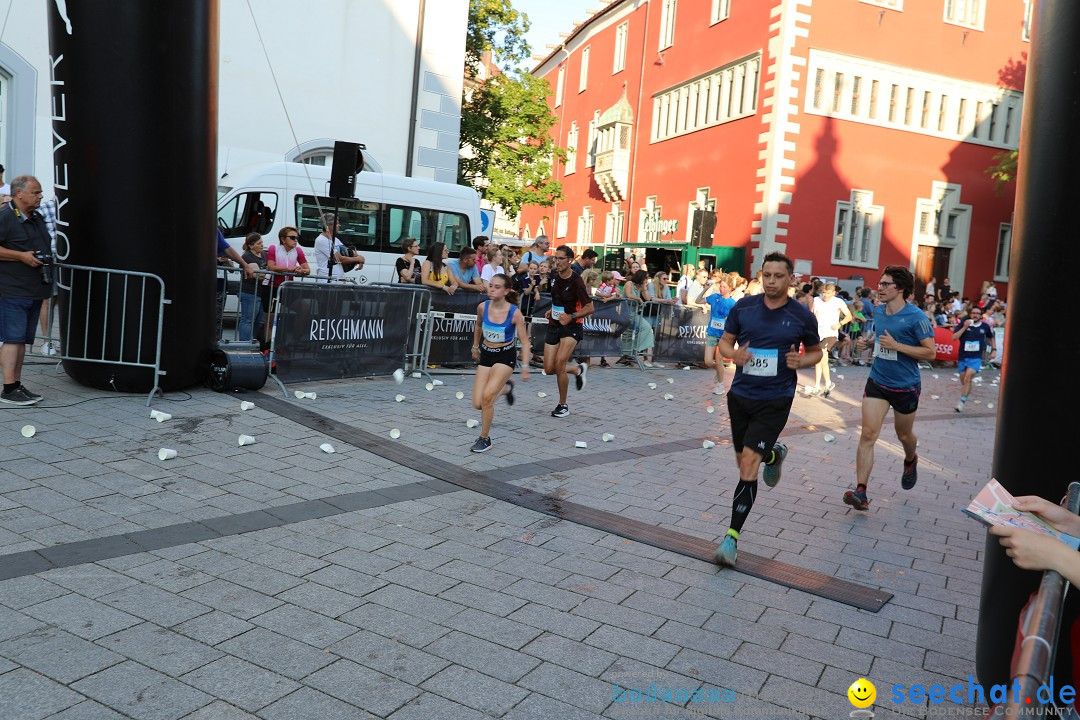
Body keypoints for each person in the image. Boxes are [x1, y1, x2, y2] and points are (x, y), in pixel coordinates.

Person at [713, 252, 822, 566]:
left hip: (776, 399)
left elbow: (815, 353)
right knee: (744, 462)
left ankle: (731, 539)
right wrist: (734, 355)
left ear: (790, 279)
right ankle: (774, 454)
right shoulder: (744, 307)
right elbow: (724, 343)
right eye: (767, 275)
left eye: (779, 276)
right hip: (741, 396)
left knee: (748, 466)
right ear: (761, 276)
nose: (772, 281)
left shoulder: (802, 316)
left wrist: (800, 361)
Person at [843, 266, 936, 511]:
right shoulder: (881, 312)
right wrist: (868, 343)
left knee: (904, 435)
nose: (880, 288)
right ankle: (861, 491)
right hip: (878, 382)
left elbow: (931, 352)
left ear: (901, 288)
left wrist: (897, 346)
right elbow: (880, 340)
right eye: (880, 283)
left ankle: (910, 459)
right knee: (868, 435)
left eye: (885, 284)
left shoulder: (916, 317)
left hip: (905, 386)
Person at [0, 176, 52, 404]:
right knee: (13, 339)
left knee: (21, 340)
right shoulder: (5, 217)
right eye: (36, 192)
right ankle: (9, 389)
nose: (40, 195)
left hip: (34, 290)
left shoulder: (35, 216)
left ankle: (17, 385)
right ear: (19, 194)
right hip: (12, 290)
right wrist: (20, 256)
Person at [468, 274, 531, 453]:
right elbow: (478, 325)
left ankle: (484, 438)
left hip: (505, 357)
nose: (491, 289)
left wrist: (525, 367)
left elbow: (525, 342)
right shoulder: (482, 307)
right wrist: (475, 347)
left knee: (487, 397)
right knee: (478, 403)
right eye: (491, 286)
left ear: (506, 291)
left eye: (496, 287)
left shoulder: (514, 313)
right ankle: (506, 388)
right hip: (487, 354)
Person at [544, 245, 593, 418]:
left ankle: (563, 405)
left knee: (559, 364)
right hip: (554, 324)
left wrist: (572, 316)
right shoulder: (555, 278)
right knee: (549, 368)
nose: (557, 262)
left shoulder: (577, 281)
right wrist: (552, 310)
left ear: (569, 260)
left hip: (572, 326)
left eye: (560, 259)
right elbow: (558, 299)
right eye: (555, 258)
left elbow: (590, 307)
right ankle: (577, 370)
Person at [807, 283, 852, 398]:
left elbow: (849, 316)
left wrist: (839, 323)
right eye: (824, 293)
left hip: (830, 334)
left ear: (833, 293)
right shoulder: (816, 300)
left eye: (828, 293)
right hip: (818, 333)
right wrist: (813, 317)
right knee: (822, 360)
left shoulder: (838, 302)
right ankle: (827, 383)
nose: (825, 295)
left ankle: (817, 386)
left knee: (819, 356)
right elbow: (810, 315)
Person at [952, 305, 996, 413]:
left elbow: (991, 336)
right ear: (970, 314)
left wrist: (994, 350)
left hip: (976, 357)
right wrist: (964, 327)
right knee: (964, 380)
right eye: (973, 313)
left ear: (981, 316)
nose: (975, 315)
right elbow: (954, 337)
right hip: (963, 356)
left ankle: (961, 403)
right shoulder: (963, 324)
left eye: (977, 313)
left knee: (968, 378)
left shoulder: (985, 326)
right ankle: (966, 393)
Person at [698, 274, 736, 397]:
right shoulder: (714, 297)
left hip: (725, 337)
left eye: (724, 287)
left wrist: (729, 320)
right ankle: (719, 372)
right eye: (720, 286)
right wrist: (705, 289)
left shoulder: (733, 304)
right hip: (712, 333)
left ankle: (720, 385)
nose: (721, 289)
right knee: (708, 361)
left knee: (719, 361)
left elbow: (736, 321)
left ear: (730, 288)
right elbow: (698, 301)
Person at [36, 195, 59, 356]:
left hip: (69, 261)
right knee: (48, 300)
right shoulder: (45, 208)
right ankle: (46, 341)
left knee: (57, 300)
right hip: (52, 260)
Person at [622, 269, 659, 367]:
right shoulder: (629, 283)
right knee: (632, 332)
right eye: (646, 278)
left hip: (634, 313)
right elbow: (629, 295)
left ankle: (631, 352)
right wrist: (638, 298)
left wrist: (644, 288)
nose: (647, 280)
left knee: (643, 328)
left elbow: (648, 298)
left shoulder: (640, 287)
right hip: (627, 312)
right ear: (641, 277)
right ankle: (628, 353)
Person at [313, 212, 364, 280]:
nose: (339, 225)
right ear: (328, 226)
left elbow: (348, 251)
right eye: (336, 223)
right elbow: (339, 258)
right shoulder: (321, 240)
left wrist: (359, 259)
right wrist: (357, 259)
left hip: (337, 280)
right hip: (327, 280)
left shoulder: (335, 239)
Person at [238, 232, 267, 343]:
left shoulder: (264, 254)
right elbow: (258, 276)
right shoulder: (247, 256)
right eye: (259, 243)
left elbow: (264, 272)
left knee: (260, 321)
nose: (262, 245)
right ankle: (244, 344)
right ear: (251, 245)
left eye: (262, 242)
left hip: (260, 292)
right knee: (247, 320)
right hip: (249, 292)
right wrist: (265, 272)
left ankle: (252, 342)